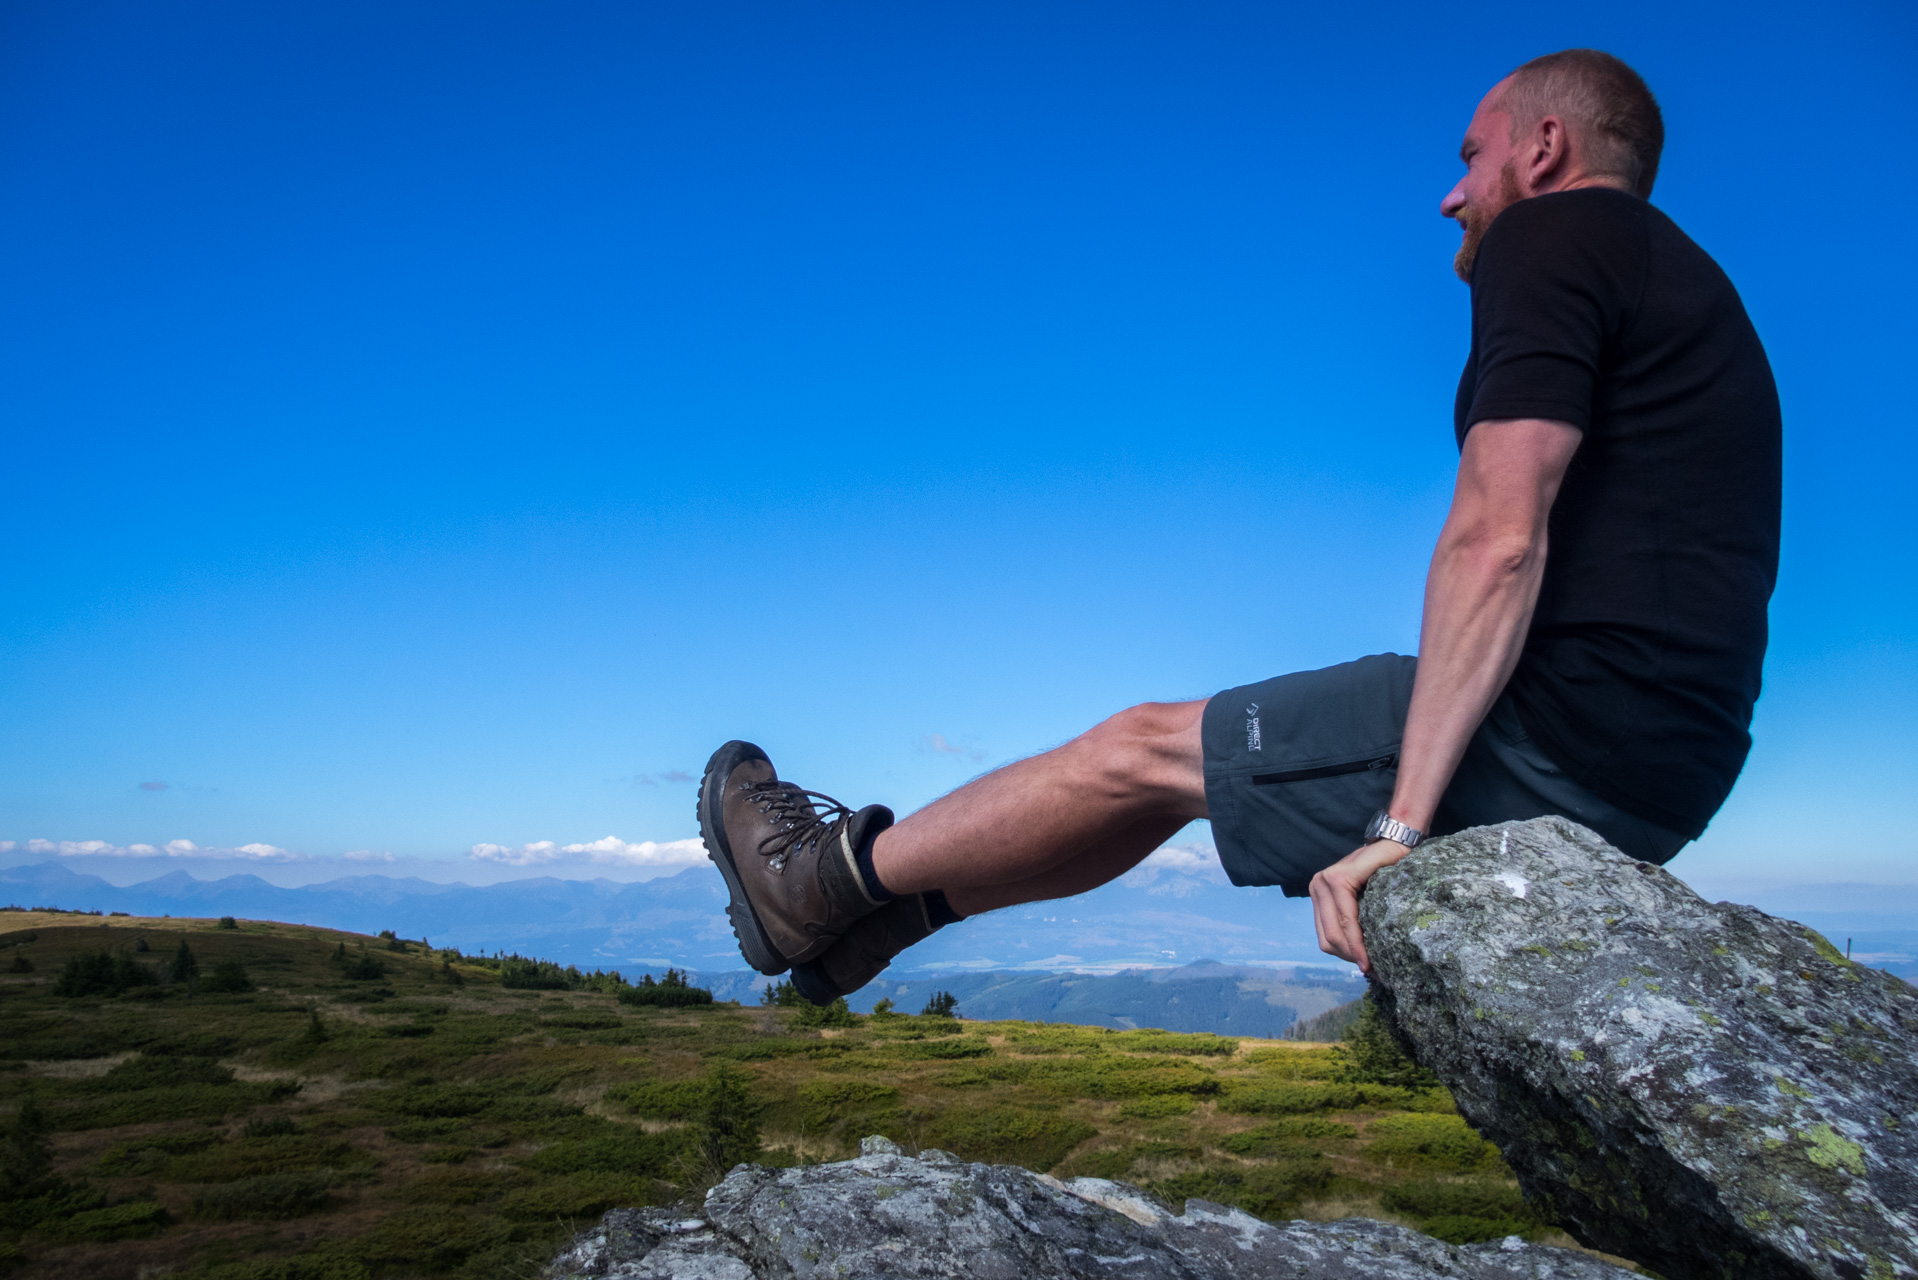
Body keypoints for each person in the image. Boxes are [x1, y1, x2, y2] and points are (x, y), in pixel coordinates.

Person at [698, 49, 1781, 1002]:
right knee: (1187, 778)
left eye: (1470, 154)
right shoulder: (1688, 282)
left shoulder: (1551, 235)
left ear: (1544, 146)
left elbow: (1499, 531)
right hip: (1665, 766)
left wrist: (1397, 830)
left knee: (1138, 746)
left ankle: (813, 879)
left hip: (1571, 737)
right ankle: (882, 923)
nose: (1452, 197)